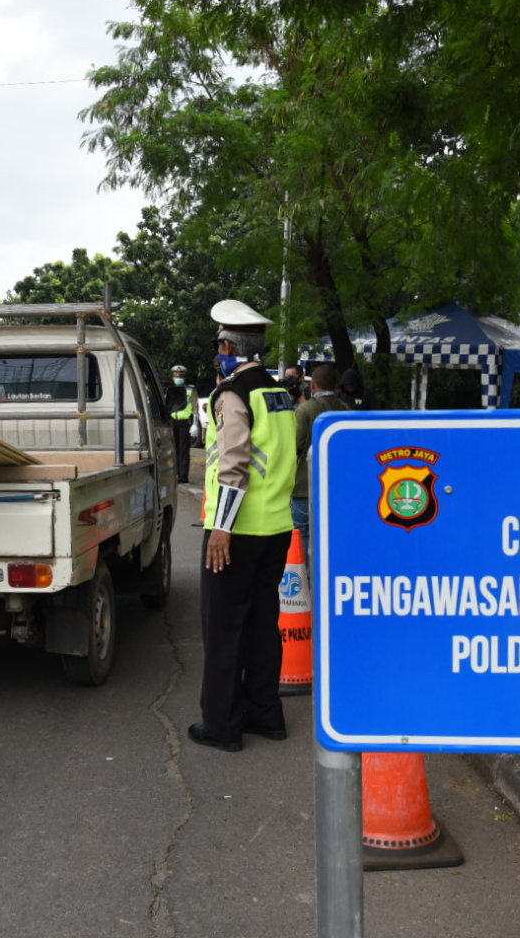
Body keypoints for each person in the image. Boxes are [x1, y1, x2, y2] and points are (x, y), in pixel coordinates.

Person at [189, 299, 298, 753]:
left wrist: (221, 528)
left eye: (219, 343)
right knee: (261, 624)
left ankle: (222, 726)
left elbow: (232, 463)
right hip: (276, 529)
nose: (218, 350)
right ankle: (265, 714)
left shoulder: (232, 394)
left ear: (229, 344)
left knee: (224, 629)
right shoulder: (278, 392)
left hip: (236, 532)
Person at [290, 364, 347, 559]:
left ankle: (306, 585)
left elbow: (293, 446)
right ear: (337, 385)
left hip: (305, 489)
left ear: (312, 385)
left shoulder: (305, 410)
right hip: (338, 490)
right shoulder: (346, 411)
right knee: (334, 540)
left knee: (302, 537)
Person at [164, 364, 197, 484]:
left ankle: (183, 476)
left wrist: (195, 424)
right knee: (173, 449)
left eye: (180, 376)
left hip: (185, 422)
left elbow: (195, 407)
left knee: (183, 450)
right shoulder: (169, 390)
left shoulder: (191, 390)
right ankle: (174, 473)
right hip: (173, 421)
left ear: (184, 377)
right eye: (176, 376)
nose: (178, 377)